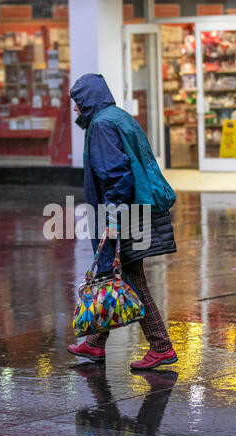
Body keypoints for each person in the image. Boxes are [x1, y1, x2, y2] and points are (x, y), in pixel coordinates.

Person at [67, 73, 178, 370]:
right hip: (134, 207)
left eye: (78, 103)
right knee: (114, 274)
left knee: (130, 276)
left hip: (123, 211)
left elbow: (116, 174)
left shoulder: (102, 124)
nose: (76, 110)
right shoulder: (117, 116)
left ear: (88, 99)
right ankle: (95, 344)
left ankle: (161, 345)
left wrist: (114, 217)